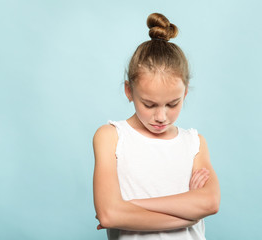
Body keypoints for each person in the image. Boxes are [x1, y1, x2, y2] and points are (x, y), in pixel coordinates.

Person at [93, 13, 220, 240]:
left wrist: (131, 206)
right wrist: (189, 213)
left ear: (185, 92)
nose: (161, 116)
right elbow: (110, 215)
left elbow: (210, 202)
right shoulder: (111, 137)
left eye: (173, 104)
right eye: (149, 104)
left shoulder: (194, 143)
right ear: (129, 91)